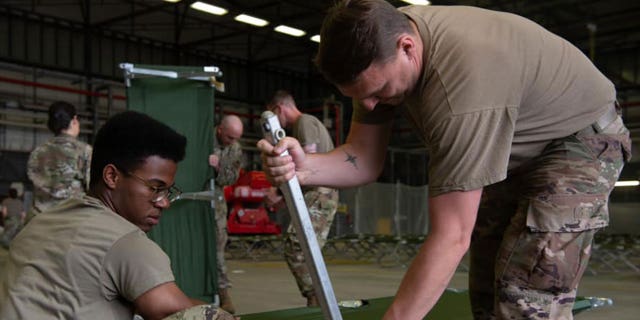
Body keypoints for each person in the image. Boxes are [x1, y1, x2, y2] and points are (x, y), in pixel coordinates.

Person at [257, 1, 631, 319]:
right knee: (486, 289)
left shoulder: (460, 92)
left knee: (526, 297)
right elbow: (363, 159)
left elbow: (452, 237)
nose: (370, 105)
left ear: (407, 47)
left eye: (378, 91)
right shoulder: (376, 44)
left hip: (578, 140)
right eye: (360, 96)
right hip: (515, 146)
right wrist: (307, 167)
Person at [0, 111, 234, 320]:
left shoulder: (37, 225)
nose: (164, 202)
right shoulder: (125, 242)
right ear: (112, 176)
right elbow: (175, 311)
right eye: (155, 187)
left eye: (167, 191)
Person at [265, 90, 339, 307]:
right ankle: (316, 298)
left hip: (321, 192)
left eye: (272, 116)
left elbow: (307, 163)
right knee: (304, 247)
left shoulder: (304, 122)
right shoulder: (304, 124)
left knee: (298, 246)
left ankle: (317, 298)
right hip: (318, 192)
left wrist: (278, 192)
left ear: (279, 109)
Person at [26, 101, 92, 222]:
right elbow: (92, 188)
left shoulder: (38, 152)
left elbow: (34, 182)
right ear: (74, 121)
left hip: (40, 220)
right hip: (71, 219)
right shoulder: (84, 151)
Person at [209, 114, 244, 314]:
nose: (233, 142)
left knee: (218, 247)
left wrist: (218, 166)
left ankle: (223, 294)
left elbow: (230, 178)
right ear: (220, 129)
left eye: (236, 138)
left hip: (216, 202)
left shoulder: (235, 149)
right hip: (192, 198)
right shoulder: (205, 137)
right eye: (230, 137)